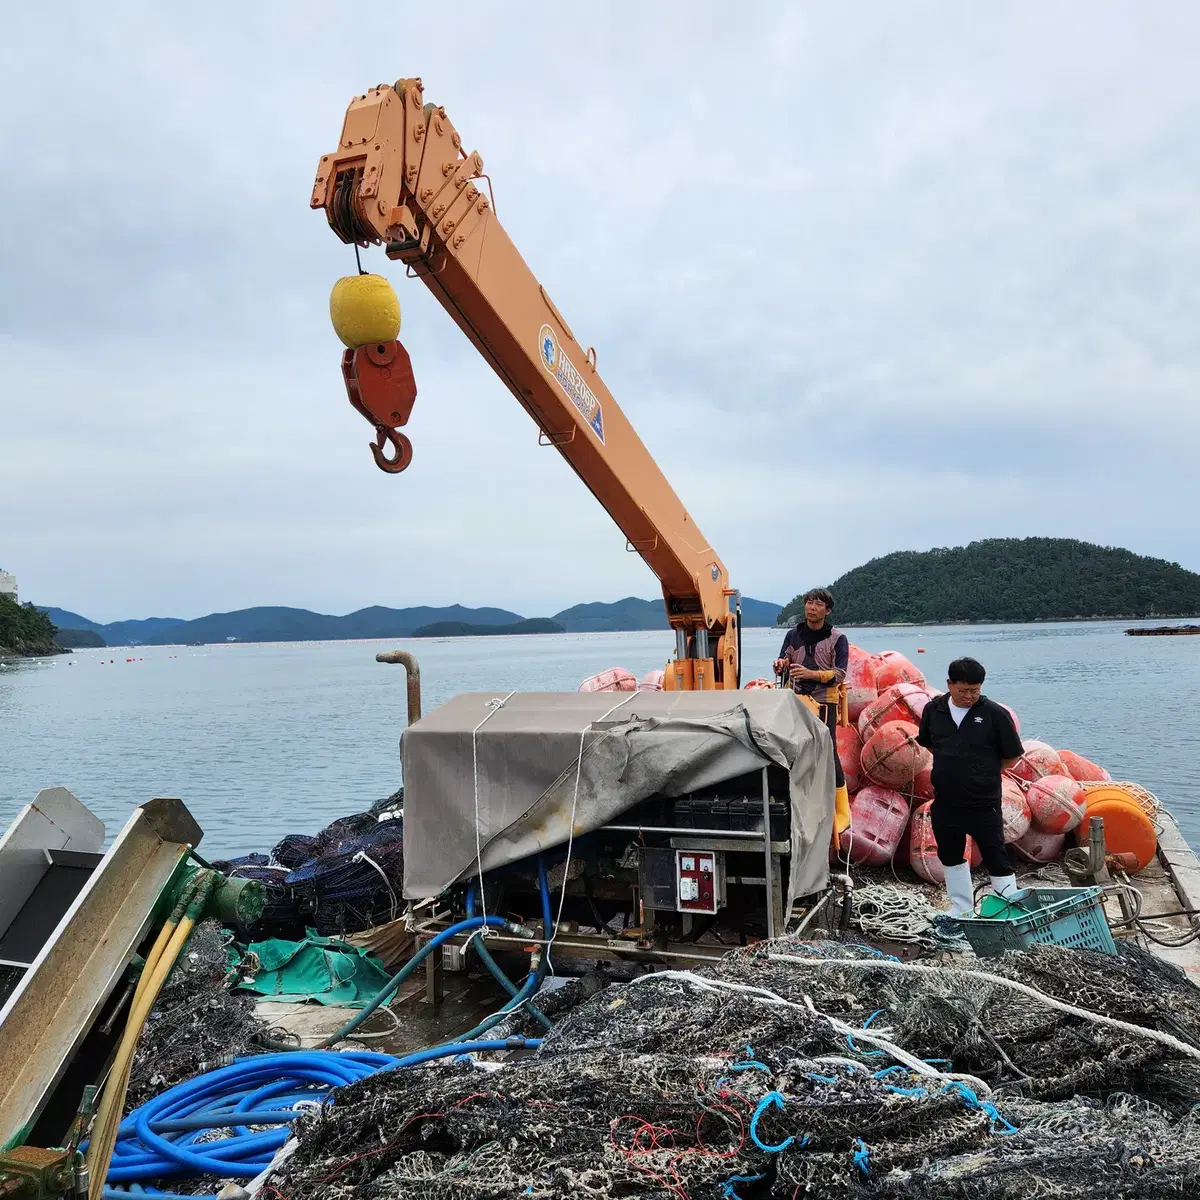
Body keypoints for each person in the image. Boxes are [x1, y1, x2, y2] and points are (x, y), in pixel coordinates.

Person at [916, 656, 1025, 919]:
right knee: (950, 854)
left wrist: (984, 772)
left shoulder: (994, 714)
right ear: (949, 684)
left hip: (982, 801)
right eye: (964, 690)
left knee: (995, 854)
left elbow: (1012, 755)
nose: (969, 696)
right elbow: (929, 743)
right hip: (946, 800)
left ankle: (1007, 910)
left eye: (975, 691)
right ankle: (961, 909)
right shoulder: (934, 711)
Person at [774, 588, 850, 837]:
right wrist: (780, 665)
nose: (811, 607)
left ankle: (841, 812)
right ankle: (796, 800)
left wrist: (811, 675)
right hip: (795, 699)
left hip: (824, 701)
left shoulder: (838, 638)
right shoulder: (792, 635)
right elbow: (783, 660)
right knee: (793, 749)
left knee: (828, 750)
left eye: (818, 604)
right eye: (808, 602)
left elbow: (839, 674)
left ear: (827, 610)